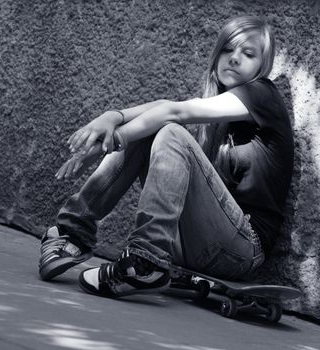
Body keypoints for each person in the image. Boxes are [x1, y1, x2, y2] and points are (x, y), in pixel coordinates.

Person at [38, 15, 294, 299]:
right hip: (195, 242)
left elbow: (174, 112)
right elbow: (164, 107)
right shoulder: (219, 113)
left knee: (170, 130)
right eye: (227, 49)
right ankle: (71, 233)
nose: (234, 58)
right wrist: (113, 116)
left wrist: (110, 143)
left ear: (263, 65)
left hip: (243, 248)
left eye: (248, 53)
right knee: (151, 127)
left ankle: (145, 261)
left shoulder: (263, 95)